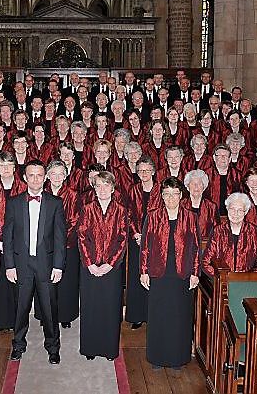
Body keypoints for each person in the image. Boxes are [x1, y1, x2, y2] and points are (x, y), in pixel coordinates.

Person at [3, 161, 66, 365]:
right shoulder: (13, 202)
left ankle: (53, 348)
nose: (36, 179)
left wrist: (58, 266)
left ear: (45, 177)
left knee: (49, 309)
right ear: (24, 178)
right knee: (20, 309)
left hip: (46, 265)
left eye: (40, 175)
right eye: (32, 175)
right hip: (21, 265)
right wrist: (9, 265)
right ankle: (18, 345)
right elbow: (8, 237)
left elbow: (59, 238)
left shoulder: (56, 203)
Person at [140, 177, 200, 369]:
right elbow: (145, 246)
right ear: (162, 196)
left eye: (175, 194)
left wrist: (195, 272)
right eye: (167, 194)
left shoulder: (191, 217)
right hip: (159, 272)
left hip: (182, 274)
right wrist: (143, 271)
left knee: (179, 317)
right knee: (158, 316)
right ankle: (157, 358)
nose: (171, 198)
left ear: (181, 195)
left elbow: (196, 247)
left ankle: (177, 358)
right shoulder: (153, 215)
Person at [77, 171, 128, 361]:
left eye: (106, 185)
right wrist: (90, 263)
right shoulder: (87, 208)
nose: (103, 189)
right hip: (89, 267)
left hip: (111, 268)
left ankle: (108, 349)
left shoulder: (121, 210)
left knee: (110, 308)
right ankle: (90, 348)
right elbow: (82, 236)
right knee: (90, 307)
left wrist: (110, 264)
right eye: (98, 185)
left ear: (113, 188)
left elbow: (122, 239)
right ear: (94, 188)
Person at [0, 152, 27, 331]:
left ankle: (16, 321)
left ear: (14, 167)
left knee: (16, 283)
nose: (5, 169)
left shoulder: (24, 187)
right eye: (2, 166)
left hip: (19, 243)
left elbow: (27, 217)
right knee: (0, 281)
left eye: (9, 165)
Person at [126, 156, 162, 330]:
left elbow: (164, 215)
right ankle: (137, 315)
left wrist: (151, 236)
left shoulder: (162, 189)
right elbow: (130, 214)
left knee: (154, 277)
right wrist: (136, 233)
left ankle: (153, 314)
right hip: (137, 240)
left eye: (147, 170)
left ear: (154, 171)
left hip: (157, 242)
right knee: (136, 277)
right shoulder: (133, 189)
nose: (144, 173)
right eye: (141, 170)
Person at [45, 160, 80, 329]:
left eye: (60, 174)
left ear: (65, 176)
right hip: (44, 247)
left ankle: (65, 315)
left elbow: (74, 221)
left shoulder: (73, 195)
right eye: (53, 173)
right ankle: (47, 314)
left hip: (67, 245)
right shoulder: (41, 193)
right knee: (46, 282)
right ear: (47, 175)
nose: (57, 177)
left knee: (66, 283)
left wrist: (59, 241)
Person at [202, 192, 257, 276]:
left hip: (248, 284)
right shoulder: (218, 231)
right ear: (227, 209)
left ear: (245, 212)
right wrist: (221, 278)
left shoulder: (255, 232)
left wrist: (248, 279)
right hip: (223, 284)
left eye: (240, 210)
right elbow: (206, 261)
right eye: (232, 209)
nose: (236, 213)